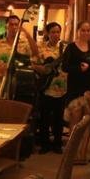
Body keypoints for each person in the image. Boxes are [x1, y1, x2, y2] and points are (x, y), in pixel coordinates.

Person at [61, 20, 90, 132]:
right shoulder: (71, 47)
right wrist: (79, 68)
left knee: (88, 119)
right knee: (75, 118)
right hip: (75, 87)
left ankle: (84, 142)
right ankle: (72, 141)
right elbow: (64, 67)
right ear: (78, 31)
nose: (86, 33)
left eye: (88, 30)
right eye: (83, 30)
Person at [0, 14, 39, 98]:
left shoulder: (25, 43)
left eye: (16, 24)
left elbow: (36, 53)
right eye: (11, 24)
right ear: (6, 26)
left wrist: (27, 34)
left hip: (17, 88)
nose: (14, 27)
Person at [33, 22, 66, 153]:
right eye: (53, 32)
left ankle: (57, 144)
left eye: (58, 32)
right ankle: (45, 144)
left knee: (59, 118)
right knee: (44, 118)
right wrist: (43, 69)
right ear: (47, 33)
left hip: (62, 89)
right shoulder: (40, 48)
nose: (56, 34)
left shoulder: (64, 49)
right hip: (45, 87)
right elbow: (33, 64)